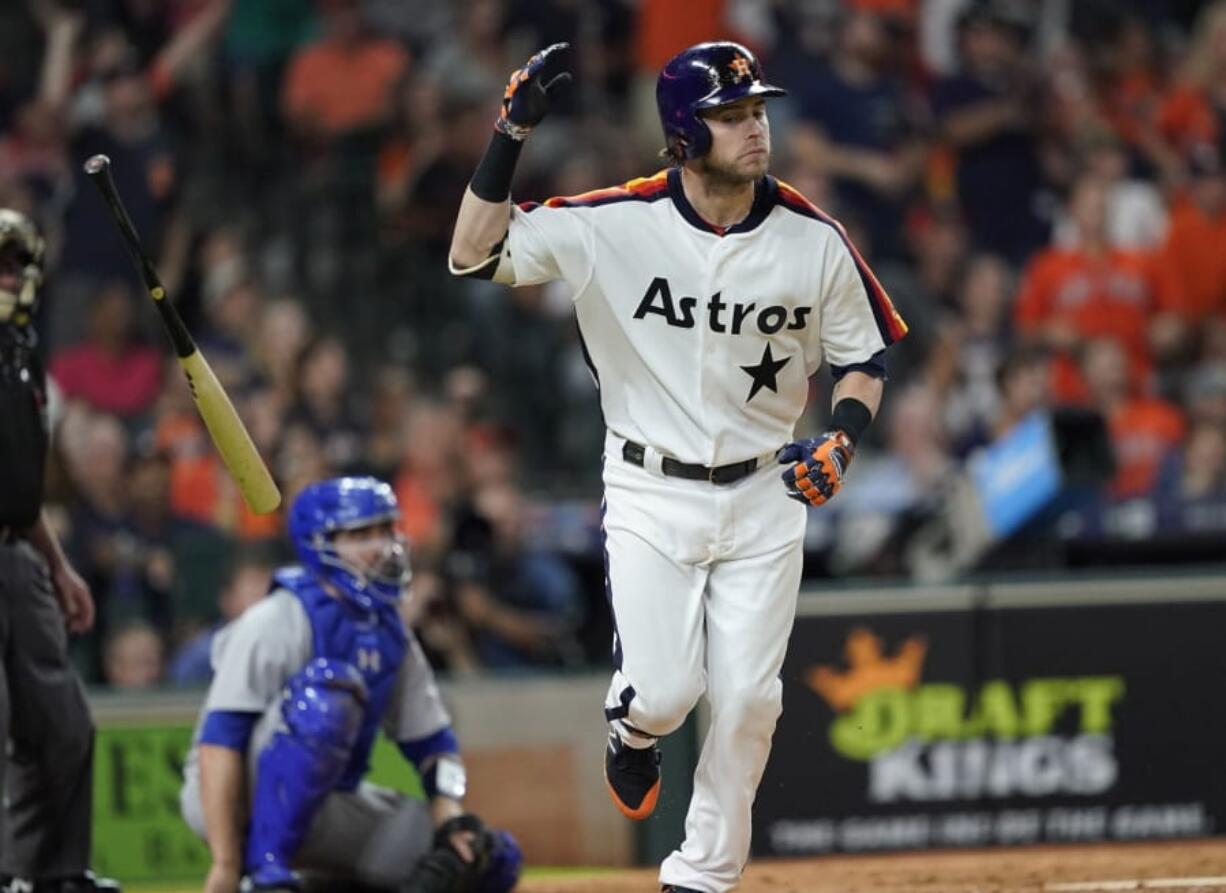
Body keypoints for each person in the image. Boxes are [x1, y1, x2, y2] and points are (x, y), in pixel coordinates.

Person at [449, 41, 906, 893]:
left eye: (756, 110)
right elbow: (471, 253)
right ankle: (634, 728)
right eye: (731, 116)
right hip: (649, 486)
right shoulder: (612, 221)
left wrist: (841, 440)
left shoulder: (812, 237)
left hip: (768, 488)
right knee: (664, 692)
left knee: (749, 702)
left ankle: (701, 875)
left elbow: (865, 358)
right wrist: (509, 131)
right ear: (683, 134)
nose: (754, 128)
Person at [178, 476, 521, 893]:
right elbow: (219, 744)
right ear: (319, 544)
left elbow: (435, 744)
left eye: (384, 530)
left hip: (326, 800)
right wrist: (225, 863)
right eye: (360, 534)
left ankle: (320, 884)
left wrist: (449, 816)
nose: (380, 545)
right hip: (232, 801)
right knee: (325, 701)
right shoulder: (277, 618)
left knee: (487, 860)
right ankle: (266, 874)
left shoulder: (388, 628)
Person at [0, 209, 119, 893]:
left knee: (65, 726)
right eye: (0, 265)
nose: (10, 276)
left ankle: (57, 873)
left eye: (18, 264)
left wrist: (58, 563)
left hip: (18, 550)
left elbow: (20, 478)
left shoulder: (22, 356)